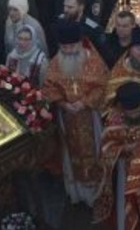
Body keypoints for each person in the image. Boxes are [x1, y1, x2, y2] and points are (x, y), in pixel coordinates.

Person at [42, 21, 110, 207]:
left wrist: (84, 102)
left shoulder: (91, 59)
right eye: (65, 47)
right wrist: (63, 104)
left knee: (94, 151)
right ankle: (78, 193)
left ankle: (98, 191)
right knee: (72, 155)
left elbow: (103, 85)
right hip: (68, 118)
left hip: (90, 116)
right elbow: (48, 88)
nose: (69, 50)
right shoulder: (56, 62)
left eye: (72, 46)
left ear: (79, 44)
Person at [97, 82, 140, 230]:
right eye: (129, 112)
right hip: (125, 171)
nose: (133, 115)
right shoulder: (114, 118)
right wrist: (124, 149)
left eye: (136, 111)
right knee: (129, 208)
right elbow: (106, 148)